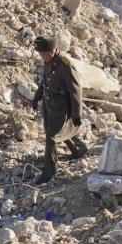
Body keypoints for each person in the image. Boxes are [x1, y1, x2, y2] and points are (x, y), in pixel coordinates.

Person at [31, 36, 88, 185]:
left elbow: (76, 91)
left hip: (62, 107)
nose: (42, 57)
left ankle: (49, 172)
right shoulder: (48, 61)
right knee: (59, 131)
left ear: (53, 50)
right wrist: (37, 97)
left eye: (44, 54)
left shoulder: (65, 64)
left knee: (52, 136)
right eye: (41, 54)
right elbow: (45, 81)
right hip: (50, 105)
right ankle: (79, 150)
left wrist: (76, 114)